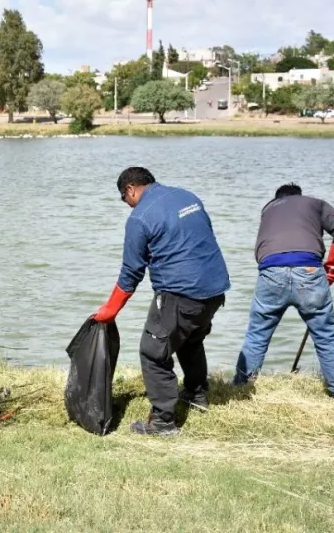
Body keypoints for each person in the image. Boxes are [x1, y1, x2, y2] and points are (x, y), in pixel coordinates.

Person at [92, 167, 230, 436]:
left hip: (181, 293)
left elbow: (131, 272)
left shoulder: (140, 217)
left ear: (130, 189)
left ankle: (163, 422)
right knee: (190, 340)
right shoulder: (187, 197)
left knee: (153, 352)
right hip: (215, 289)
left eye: (124, 198)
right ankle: (196, 395)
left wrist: (110, 311)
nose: (127, 204)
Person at [233, 183, 334, 398]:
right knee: (326, 336)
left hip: (271, 271)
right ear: (300, 196)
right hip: (308, 269)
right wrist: (332, 266)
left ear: (277, 198)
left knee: (257, 335)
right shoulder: (315, 204)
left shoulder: (268, 209)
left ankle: (241, 389)